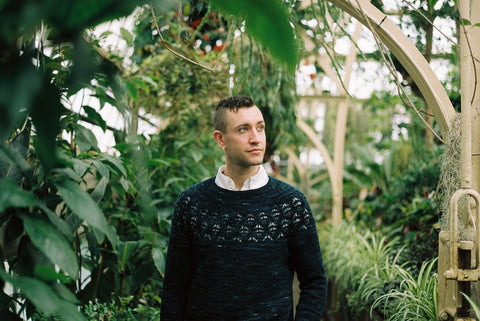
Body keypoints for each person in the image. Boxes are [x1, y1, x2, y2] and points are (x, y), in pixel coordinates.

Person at [160, 95, 327, 320]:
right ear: (220, 140)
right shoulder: (191, 203)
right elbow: (174, 287)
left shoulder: (291, 204)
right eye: (243, 130)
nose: (256, 138)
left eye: (260, 128)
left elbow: (314, 282)